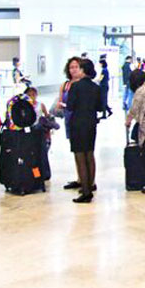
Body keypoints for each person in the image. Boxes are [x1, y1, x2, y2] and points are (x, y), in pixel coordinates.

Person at [60, 57, 102, 203]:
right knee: (89, 154)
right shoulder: (96, 87)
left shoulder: (75, 87)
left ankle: (85, 192)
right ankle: (90, 185)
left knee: (80, 155)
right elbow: (100, 107)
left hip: (77, 123)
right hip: (91, 122)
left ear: (82, 69)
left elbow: (70, 106)